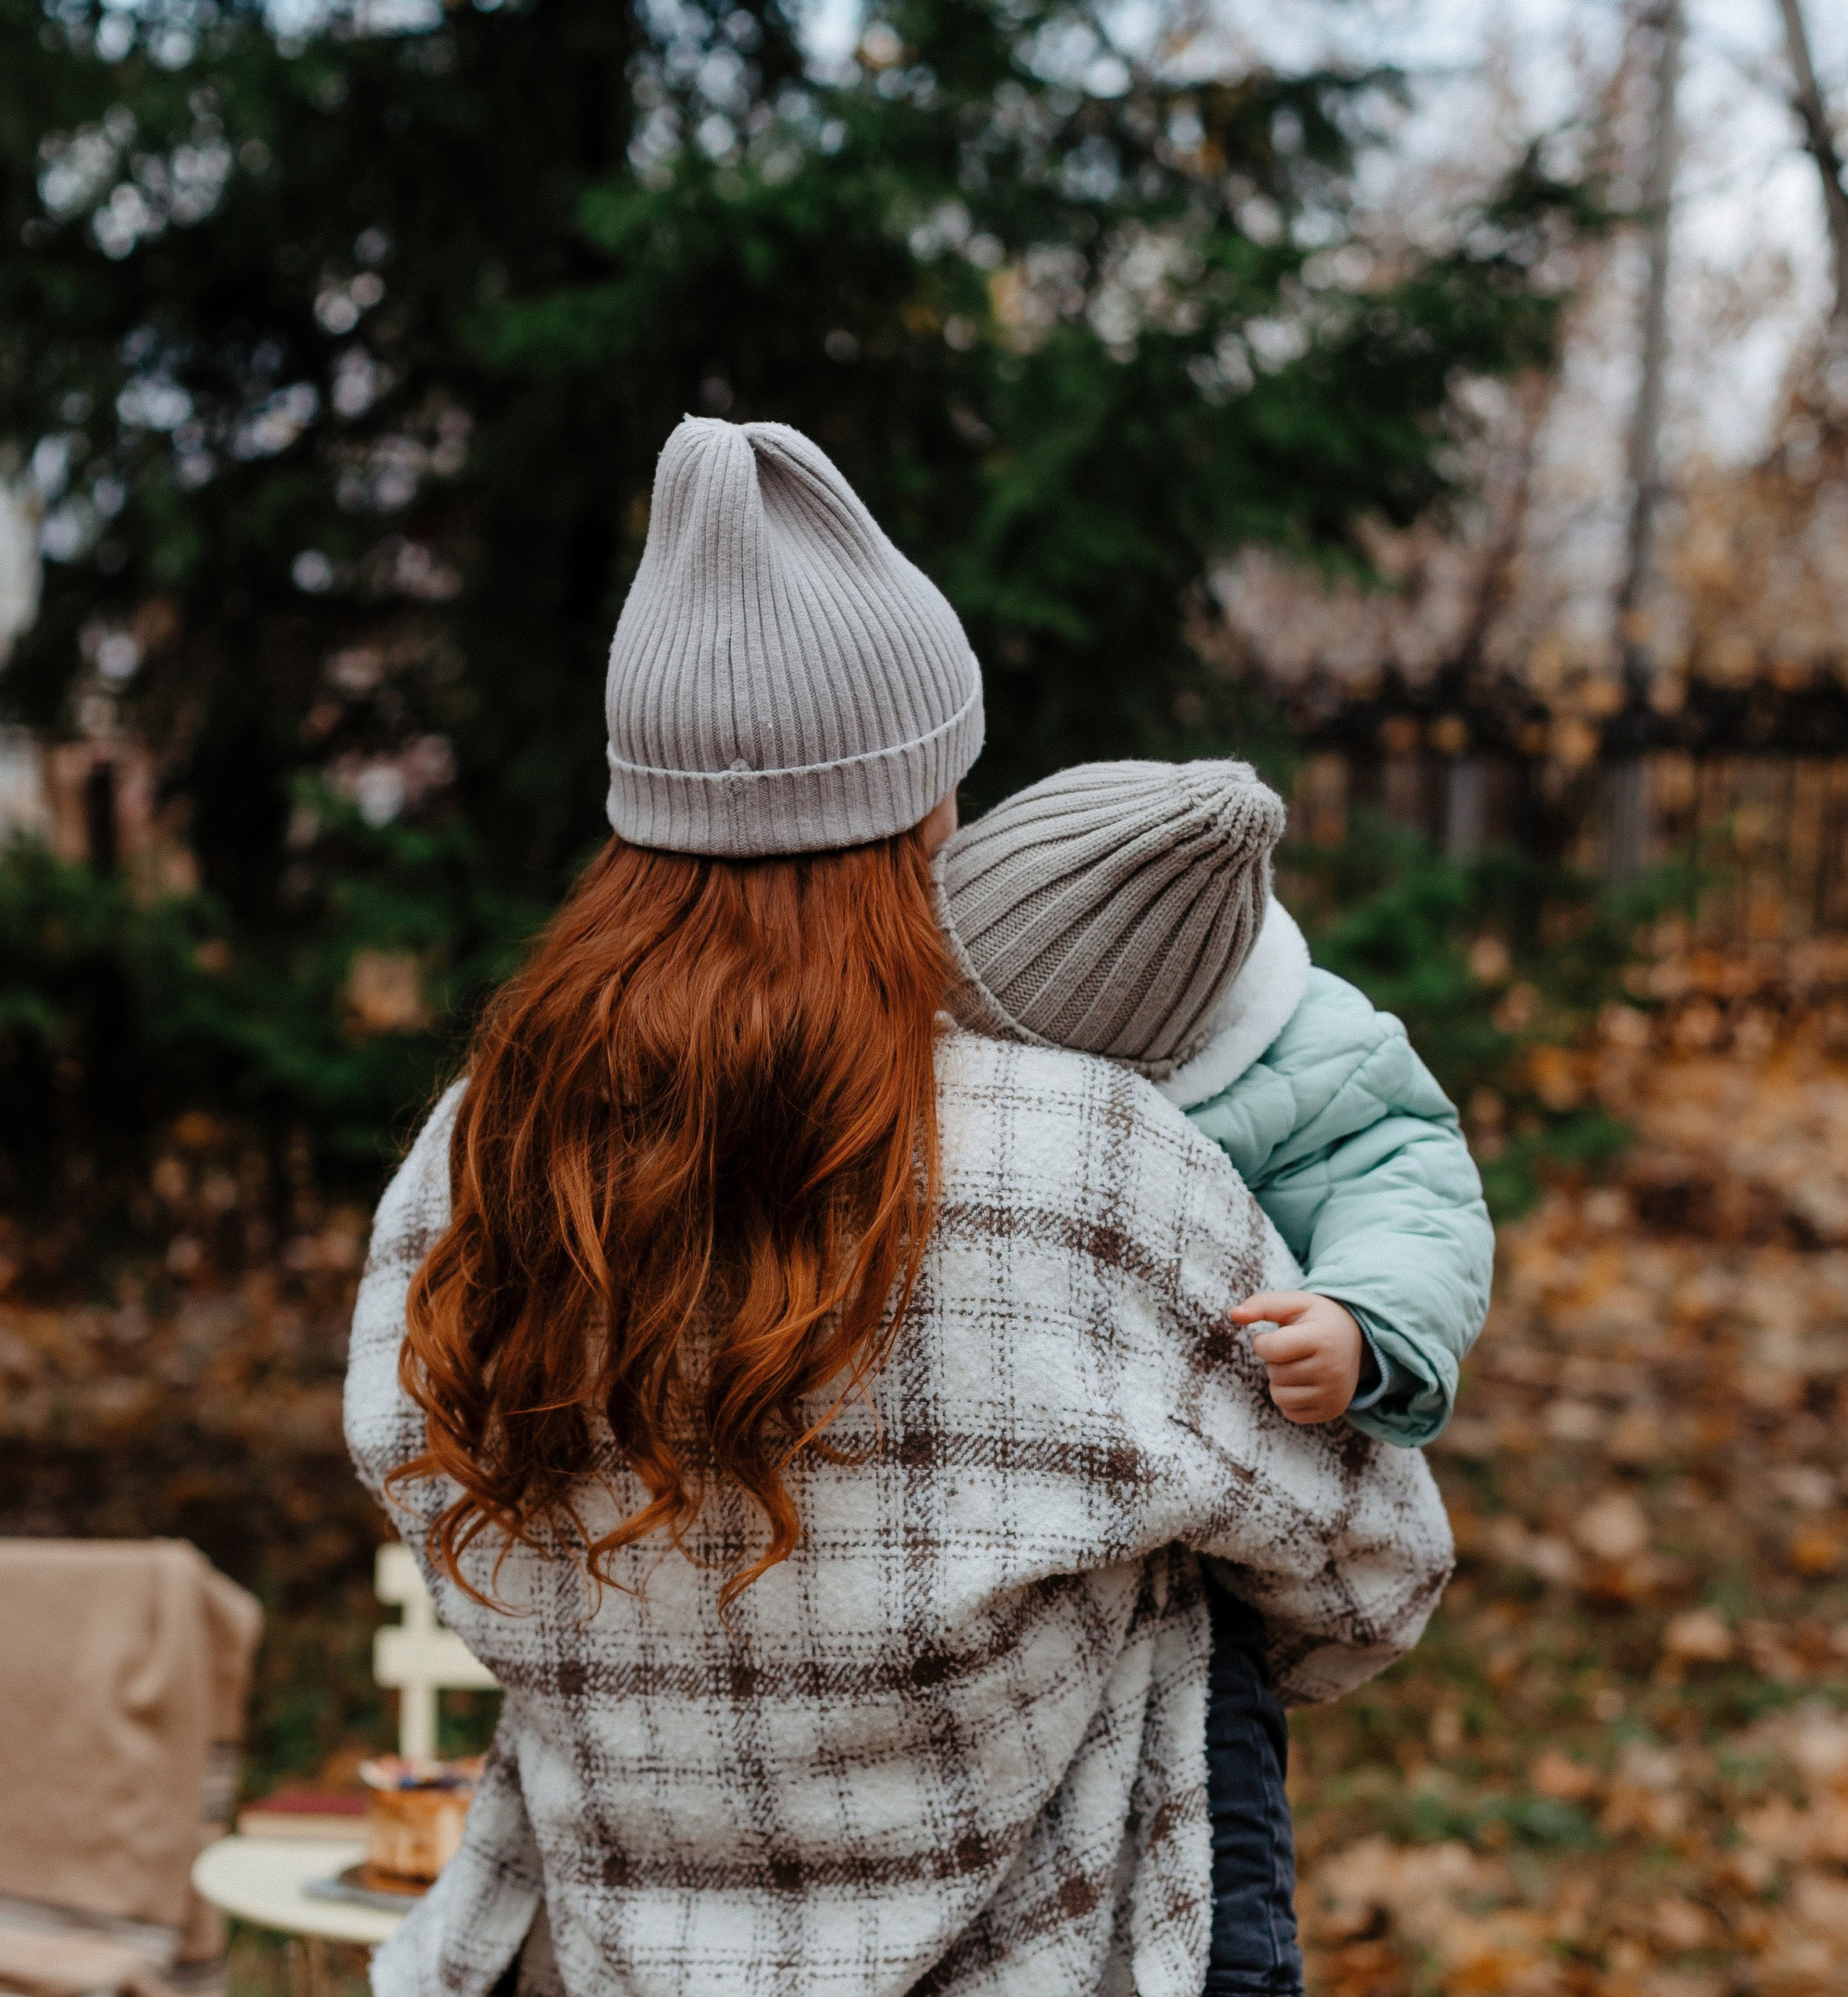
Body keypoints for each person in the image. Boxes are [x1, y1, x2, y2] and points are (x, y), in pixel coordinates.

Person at [345, 416, 1453, 1997]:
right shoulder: (1089, 1161)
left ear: (633, 818)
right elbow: (1373, 1574)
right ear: (928, 805)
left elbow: (433, 1500)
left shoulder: (483, 1153)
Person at [932, 757, 1495, 1995]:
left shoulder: (1307, 1056)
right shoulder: (960, 964)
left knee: (1219, 1842)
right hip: (1008, 1513)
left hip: (1207, 1539)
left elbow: (1415, 1190)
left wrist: (1362, 1326)